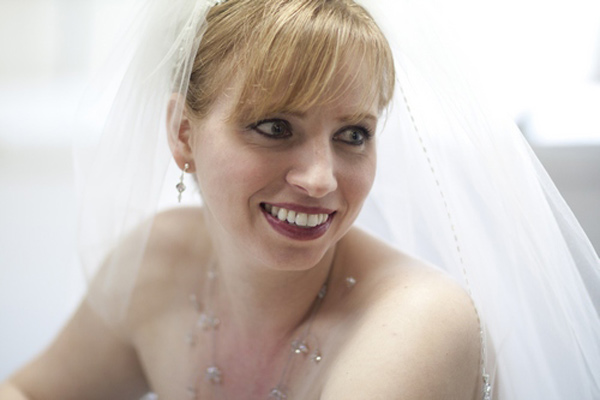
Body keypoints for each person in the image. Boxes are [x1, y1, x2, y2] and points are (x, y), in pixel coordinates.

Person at [1, 0, 599, 399]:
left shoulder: (420, 323)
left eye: (353, 135)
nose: (319, 179)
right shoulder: (160, 259)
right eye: (275, 127)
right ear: (184, 133)